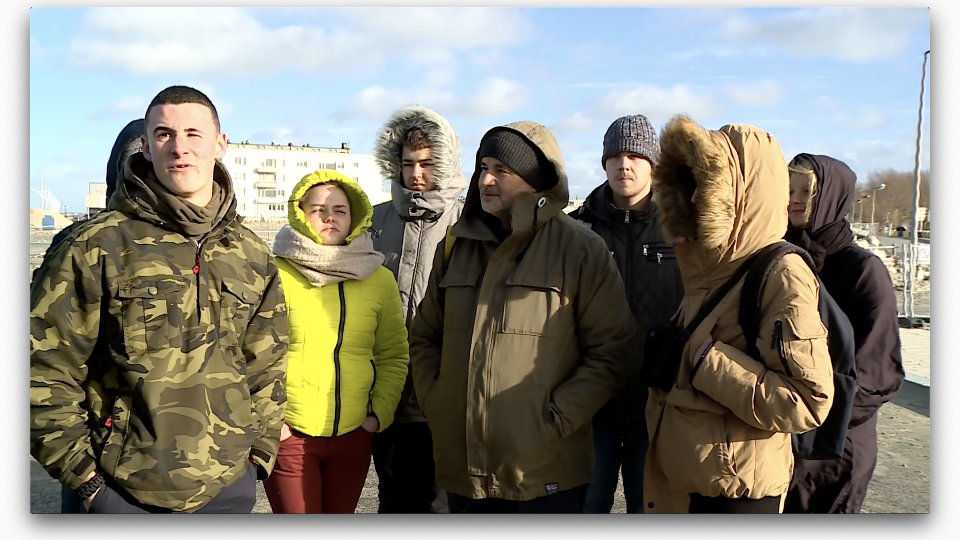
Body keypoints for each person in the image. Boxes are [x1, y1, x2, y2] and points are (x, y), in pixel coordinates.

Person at [29, 85, 289, 513]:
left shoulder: (250, 253)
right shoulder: (94, 246)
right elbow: (43, 370)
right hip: (120, 492)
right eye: (165, 134)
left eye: (193, 133)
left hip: (226, 488)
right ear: (146, 147)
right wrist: (87, 481)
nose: (180, 147)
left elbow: (267, 365)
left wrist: (256, 459)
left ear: (220, 144)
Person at [408, 121, 634, 513]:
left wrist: (552, 419)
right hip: (463, 470)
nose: (486, 180)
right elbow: (425, 336)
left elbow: (612, 353)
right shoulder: (457, 245)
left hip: (545, 472)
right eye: (483, 168)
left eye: (502, 170)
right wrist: (439, 402)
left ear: (534, 181)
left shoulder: (581, 249)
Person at [641, 115, 834, 513]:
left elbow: (807, 401)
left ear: (744, 196)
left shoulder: (782, 273)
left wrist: (707, 363)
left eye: (709, 188)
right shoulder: (703, 269)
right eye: (691, 186)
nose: (694, 199)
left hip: (738, 495)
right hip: (689, 486)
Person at [263, 170, 410, 514]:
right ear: (300, 214)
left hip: (353, 435)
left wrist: (376, 416)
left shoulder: (379, 278)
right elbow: (250, 354)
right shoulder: (273, 273)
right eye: (318, 209)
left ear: (355, 217)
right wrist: (273, 423)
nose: (329, 217)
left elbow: (393, 354)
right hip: (290, 435)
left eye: (340, 210)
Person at [782, 153, 905, 513]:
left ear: (832, 198)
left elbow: (877, 374)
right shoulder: (781, 259)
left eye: (808, 191)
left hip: (836, 447)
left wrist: (811, 422)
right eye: (789, 189)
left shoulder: (863, 270)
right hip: (783, 441)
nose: (795, 199)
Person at [573, 114, 683, 514]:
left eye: (636, 155)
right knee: (589, 505)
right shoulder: (579, 230)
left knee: (649, 507)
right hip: (594, 401)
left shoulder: (682, 228)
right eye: (615, 155)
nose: (625, 164)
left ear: (652, 164)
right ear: (604, 163)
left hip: (655, 403)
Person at [369, 104, 466, 513]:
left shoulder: (467, 222)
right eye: (408, 163)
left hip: (442, 399)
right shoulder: (374, 221)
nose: (416, 173)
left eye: (426, 163)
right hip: (387, 397)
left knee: (441, 507)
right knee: (393, 501)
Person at [50, 117, 146, 514]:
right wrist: (83, 476)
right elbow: (47, 364)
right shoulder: (80, 245)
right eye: (137, 158)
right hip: (98, 457)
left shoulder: (202, 249)